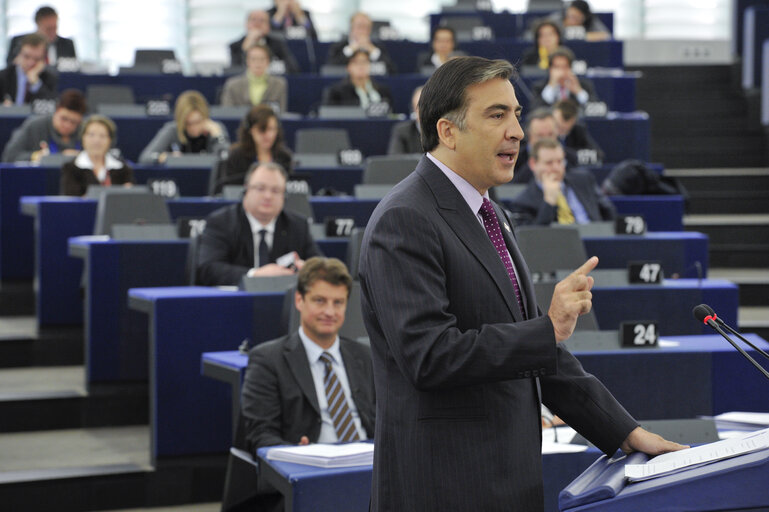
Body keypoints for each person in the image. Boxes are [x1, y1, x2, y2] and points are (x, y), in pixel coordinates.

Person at [358, 56, 685, 511]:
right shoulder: (405, 219)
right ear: (447, 131)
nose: (517, 131)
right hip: (444, 487)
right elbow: (430, 356)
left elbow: (538, 352)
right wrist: (546, 328)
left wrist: (625, 433)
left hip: (508, 482)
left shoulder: (493, 214)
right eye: (496, 115)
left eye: (515, 114)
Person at [239, 256, 375, 511]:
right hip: (309, 478)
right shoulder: (268, 360)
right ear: (299, 300)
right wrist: (295, 455)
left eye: (338, 303)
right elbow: (260, 436)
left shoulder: (365, 356)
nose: (330, 312)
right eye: (320, 301)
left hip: (368, 472)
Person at [197, 162, 321, 286]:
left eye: (276, 190)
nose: (268, 196)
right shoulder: (222, 222)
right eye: (260, 188)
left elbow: (321, 267)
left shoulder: (298, 225)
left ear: (284, 195)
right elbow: (209, 269)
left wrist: (307, 270)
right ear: (246, 189)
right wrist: (255, 275)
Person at [509, 138, 615, 226]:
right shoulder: (523, 202)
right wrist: (549, 201)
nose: (556, 168)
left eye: (560, 161)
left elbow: (609, 212)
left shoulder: (584, 180)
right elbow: (535, 239)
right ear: (533, 164)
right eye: (549, 163)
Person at [215, 105, 293, 193]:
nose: (268, 135)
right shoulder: (236, 156)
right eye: (262, 130)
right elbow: (228, 190)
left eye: (272, 129)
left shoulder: (284, 157)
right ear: (250, 130)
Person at [138, 90, 229, 164]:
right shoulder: (173, 129)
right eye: (188, 123)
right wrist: (163, 157)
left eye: (198, 122)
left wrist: (218, 136)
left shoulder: (216, 129)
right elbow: (145, 157)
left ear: (205, 117)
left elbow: (227, 158)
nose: (194, 128)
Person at [1, 88, 86, 162]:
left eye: (74, 122)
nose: (68, 125)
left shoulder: (85, 130)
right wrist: (35, 156)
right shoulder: (35, 125)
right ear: (56, 110)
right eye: (64, 119)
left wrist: (82, 157)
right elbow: (9, 156)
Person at [60, 115, 133, 196]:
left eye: (102, 136)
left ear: (110, 140)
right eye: (91, 135)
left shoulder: (122, 168)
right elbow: (71, 201)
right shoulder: (71, 168)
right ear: (83, 138)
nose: (96, 140)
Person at [512, 107, 577, 184]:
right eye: (540, 136)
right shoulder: (514, 159)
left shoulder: (569, 157)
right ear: (529, 136)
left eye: (550, 135)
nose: (546, 141)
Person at [221, 43, 288, 113]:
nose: (258, 63)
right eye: (253, 59)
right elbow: (227, 112)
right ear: (247, 61)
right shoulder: (232, 85)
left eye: (262, 59)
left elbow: (281, 113)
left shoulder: (279, 84)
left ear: (268, 61)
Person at [229, 10, 299, 73]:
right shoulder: (235, 46)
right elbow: (234, 72)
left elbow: (293, 69)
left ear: (268, 26)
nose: (257, 24)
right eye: (253, 20)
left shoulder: (278, 43)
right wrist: (245, 49)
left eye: (262, 20)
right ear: (246, 24)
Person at [326, 12, 396, 75]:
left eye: (366, 27)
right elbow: (330, 68)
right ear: (351, 28)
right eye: (359, 26)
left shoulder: (378, 47)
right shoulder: (338, 46)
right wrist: (350, 50)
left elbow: (392, 71)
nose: (363, 31)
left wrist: (373, 51)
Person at [530, 46, 598, 110]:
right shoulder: (539, 87)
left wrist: (578, 91)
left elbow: (594, 109)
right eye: (557, 67)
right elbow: (536, 110)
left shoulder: (585, 85)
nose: (561, 71)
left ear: (571, 68)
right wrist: (551, 85)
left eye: (565, 67)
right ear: (550, 69)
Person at [322, 49, 393, 110]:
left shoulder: (383, 91)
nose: (361, 66)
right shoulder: (336, 93)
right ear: (348, 67)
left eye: (364, 62)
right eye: (356, 62)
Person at [6, 6, 76, 66]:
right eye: (48, 29)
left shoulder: (67, 44)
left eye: (55, 28)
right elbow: (10, 70)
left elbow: (74, 71)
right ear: (38, 25)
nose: (52, 32)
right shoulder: (20, 42)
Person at [0, 33, 58, 106]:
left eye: (37, 59)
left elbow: (51, 106)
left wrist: (36, 83)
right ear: (19, 55)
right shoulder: (3, 76)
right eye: (26, 57)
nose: (30, 63)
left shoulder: (49, 78)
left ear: (44, 60)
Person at [553, 99, 604, 164]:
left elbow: (599, 155)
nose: (560, 128)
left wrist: (570, 154)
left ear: (573, 120)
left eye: (563, 128)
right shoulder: (546, 132)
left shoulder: (578, 130)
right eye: (557, 124)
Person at [387, 85, 423, 154]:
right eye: (419, 107)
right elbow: (395, 160)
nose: (424, 112)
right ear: (414, 109)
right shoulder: (402, 131)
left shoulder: (442, 131)